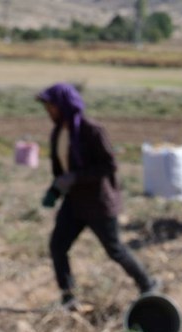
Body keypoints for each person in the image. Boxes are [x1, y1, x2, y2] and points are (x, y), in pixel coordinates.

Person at [36, 83, 156, 309]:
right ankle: (69, 298)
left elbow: (109, 165)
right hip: (74, 203)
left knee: (115, 250)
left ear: (63, 105)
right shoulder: (58, 132)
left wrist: (76, 177)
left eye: (50, 106)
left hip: (98, 203)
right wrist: (55, 189)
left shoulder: (91, 130)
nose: (48, 111)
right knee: (57, 247)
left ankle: (148, 284)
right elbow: (62, 170)